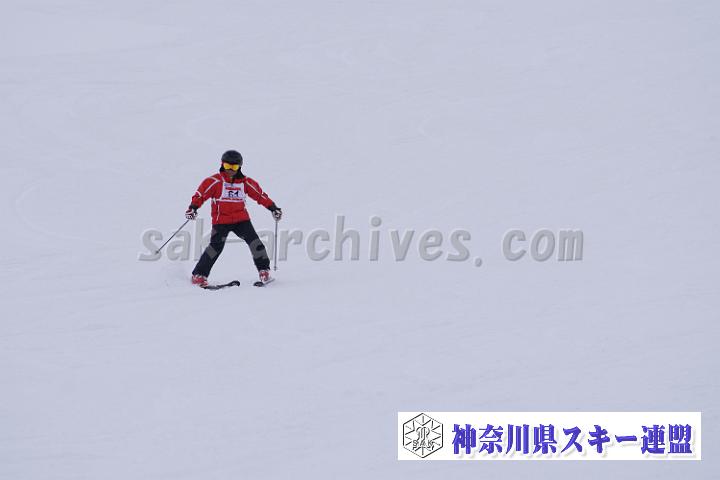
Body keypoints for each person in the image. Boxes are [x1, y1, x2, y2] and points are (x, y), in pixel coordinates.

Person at [185, 150, 282, 287]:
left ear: (239, 167)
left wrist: (273, 208)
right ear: (222, 164)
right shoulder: (214, 181)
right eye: (227, 166)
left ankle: (264, 271)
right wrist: (193, 208)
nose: (230, 170)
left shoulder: (245, 182)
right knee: (215, 247)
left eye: (234, 167)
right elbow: (200, 195)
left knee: (255, 243)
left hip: (241, 220)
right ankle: (199, 275)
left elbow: (260, 196)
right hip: (221, 221)